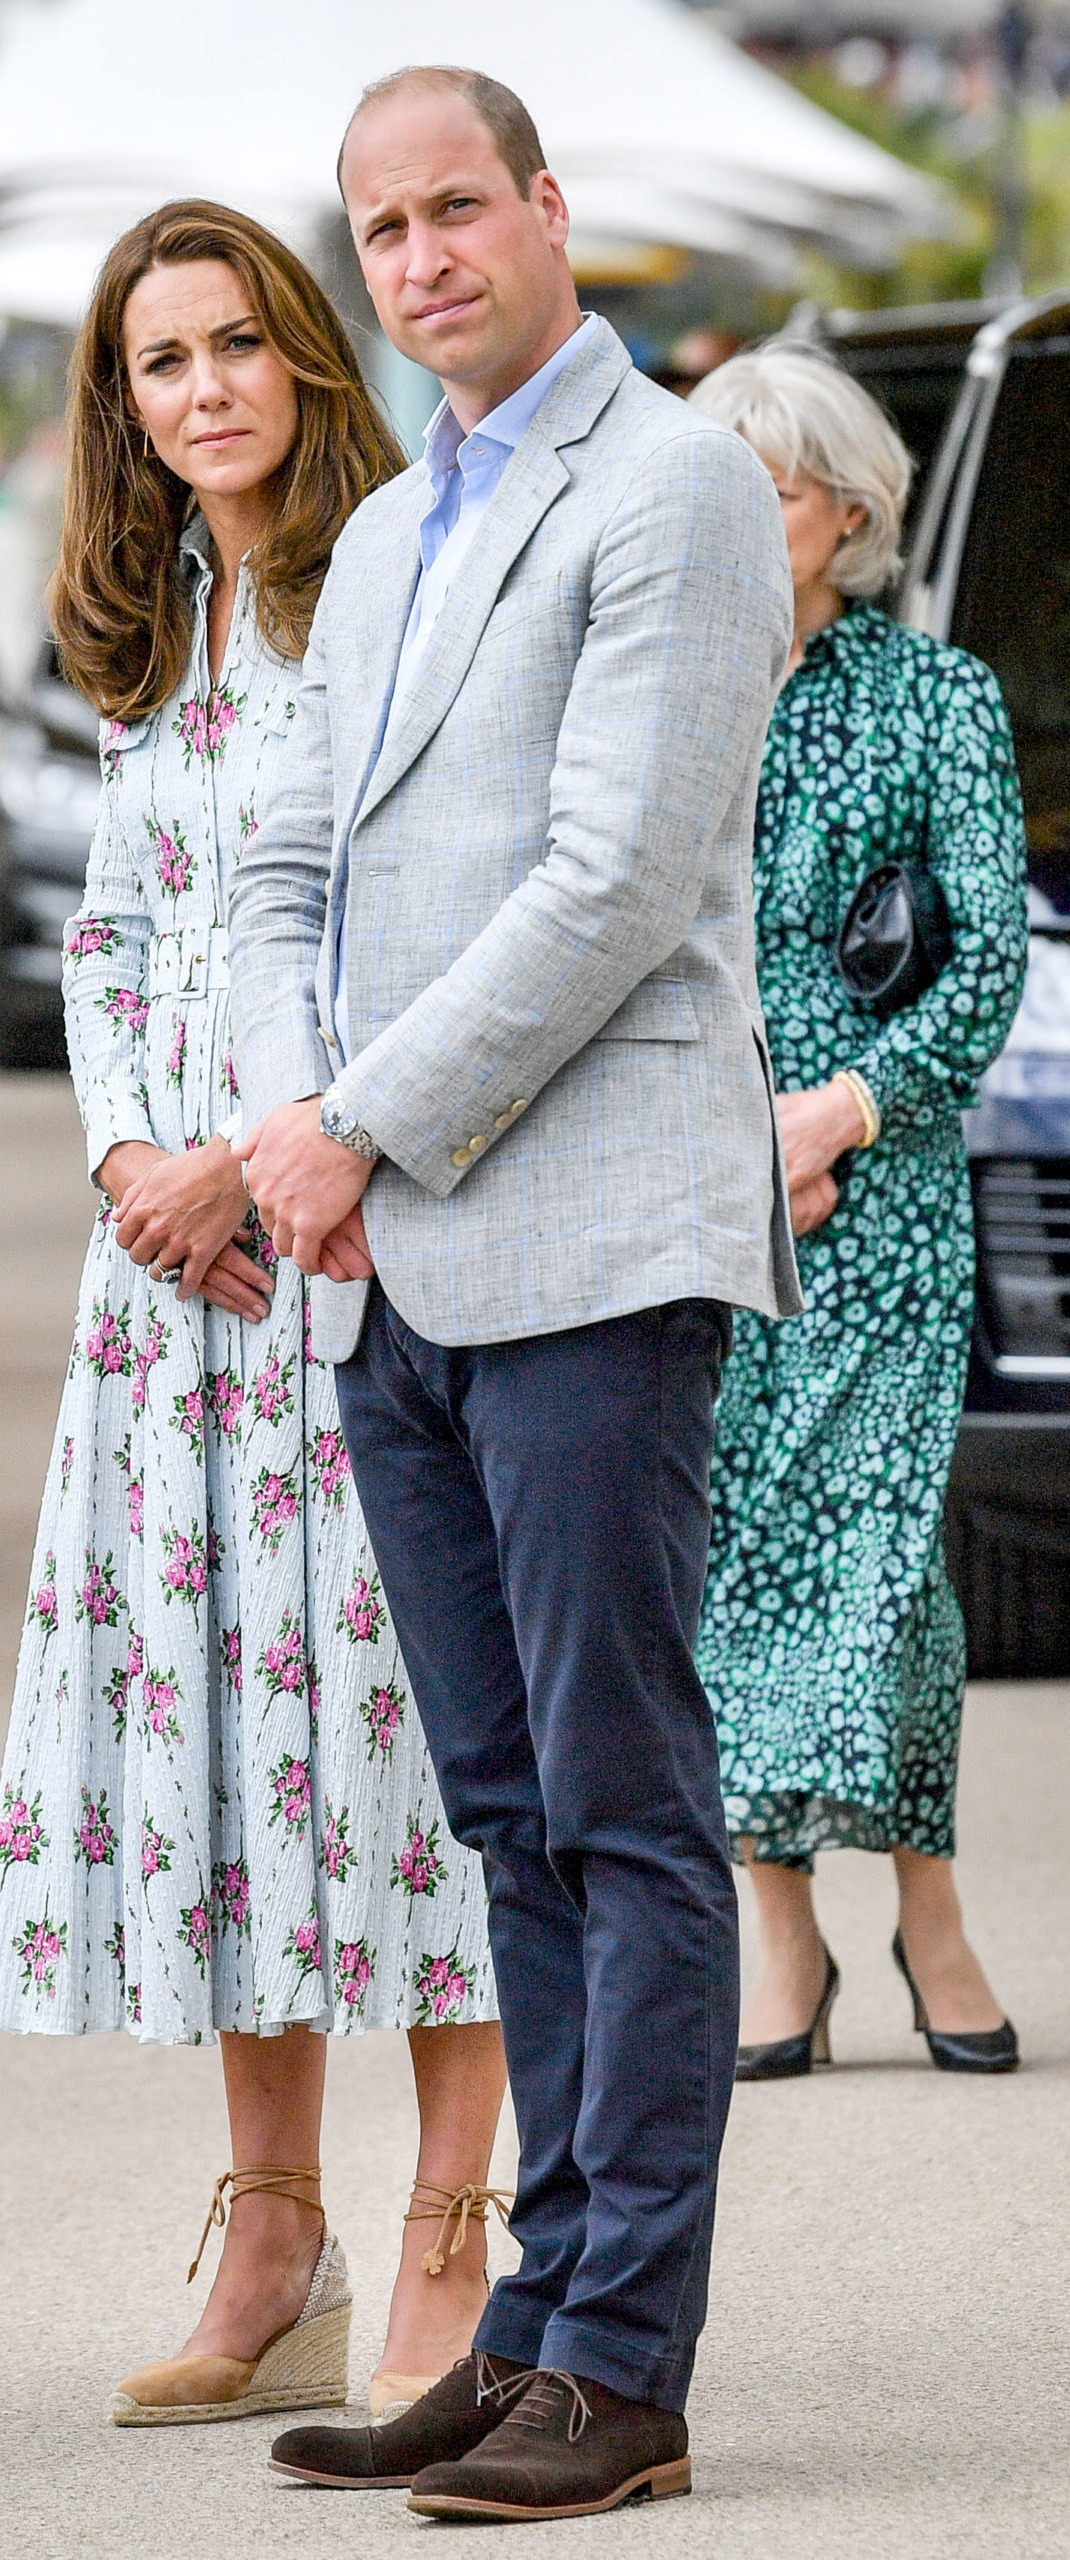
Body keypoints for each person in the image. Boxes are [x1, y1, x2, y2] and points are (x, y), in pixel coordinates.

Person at [230, 66, 798, 2526]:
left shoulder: (662, 484)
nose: (420, 254)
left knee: (619, 1804)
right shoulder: (376, 535)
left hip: (583, 1238)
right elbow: (281, 872)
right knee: (499, 1814)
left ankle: (626, 2362)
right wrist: (289, 1131)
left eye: (455, 204)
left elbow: (605, 881)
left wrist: (352, 1126)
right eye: (380, 224)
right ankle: (537, 2331)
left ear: (550, 211)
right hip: (389, 1264)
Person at [0, 200, 506, 2430]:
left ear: (298, 354)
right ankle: (265, 2214)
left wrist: (258, 1159)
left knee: (408, 1753)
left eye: (228, 347)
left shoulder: (383, 586)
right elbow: (106, 939)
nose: (199, 389)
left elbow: (422, 919)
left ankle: (459, 2225)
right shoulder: (156, 621)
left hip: (338, 1246)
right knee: (221, 1750)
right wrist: (122, 1164)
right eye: (155, 361)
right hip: (165, 1290)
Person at [687, 343, 1026, 2079]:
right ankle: (780, 1931)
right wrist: (733, 1136)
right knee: (736, 1556)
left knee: (887, 1556)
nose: (741, 515)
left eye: (772, 485)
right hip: (686, 1175)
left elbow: (976, 969)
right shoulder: (659, 688)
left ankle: (929, 1901)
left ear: (849, 511)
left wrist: (842, 1108)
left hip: (878, 1184)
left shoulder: (936, 698)